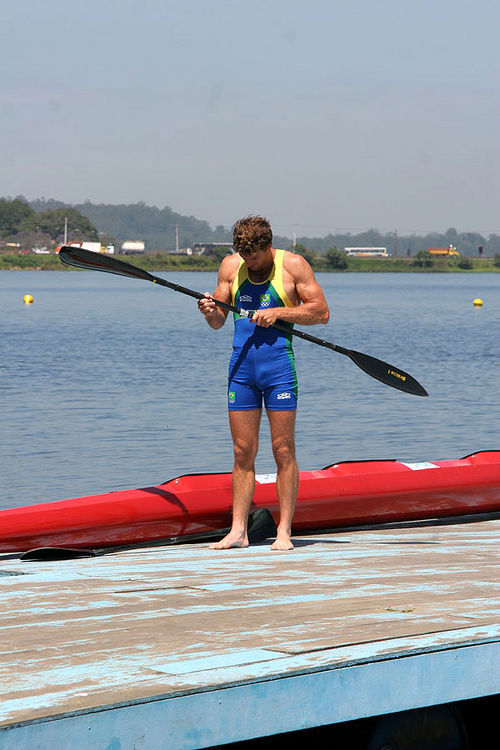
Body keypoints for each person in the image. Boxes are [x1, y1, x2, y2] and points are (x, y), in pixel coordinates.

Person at [198, 216, 330, 550]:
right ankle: (238, 531)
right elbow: (218, 322)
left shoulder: (294, 266)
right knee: (242, 450)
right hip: (241, 369)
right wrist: (209, 310)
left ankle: (285, 530)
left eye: (254, 257)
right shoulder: (231, 266)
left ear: (268, 247)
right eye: (244, 256)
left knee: (282, 449)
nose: (249, 263)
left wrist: (281, 313)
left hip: (278, 369)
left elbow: (321, 312)